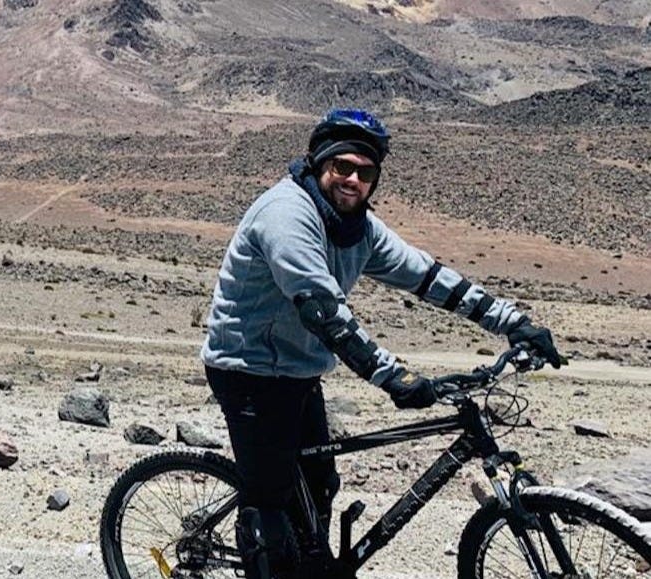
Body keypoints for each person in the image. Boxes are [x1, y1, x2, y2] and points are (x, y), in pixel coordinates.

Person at [199, 109, 565, 577]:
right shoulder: (286, 215)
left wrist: (514, 323)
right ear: (318, 164)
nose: (353, 179)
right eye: (342, 167)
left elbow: (428, 277)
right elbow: (325, 314)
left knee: (318, 484)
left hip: (299, 369)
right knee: (270, 500)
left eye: (365, 172)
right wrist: (395, 378)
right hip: (247, 369)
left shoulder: (358, 227)